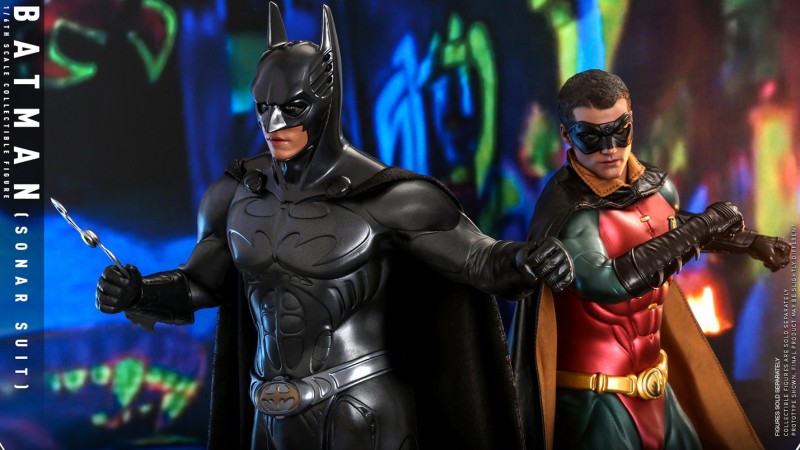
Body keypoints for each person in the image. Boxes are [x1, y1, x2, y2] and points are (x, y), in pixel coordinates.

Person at [95, 4, 574, 450]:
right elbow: (201, 283)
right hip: (269, 416)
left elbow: (479, 260)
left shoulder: (390, 197)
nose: (273, 123)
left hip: (363, 412)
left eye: (292, 108)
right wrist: (140, 293)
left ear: (325, 102)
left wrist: (527, 258)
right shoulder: (236, 193)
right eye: (263, 107)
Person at [510, 69, 791, 450]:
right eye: (591, 137)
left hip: (659, 390)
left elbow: (664, 226)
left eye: (619, 131)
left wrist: (748, 242)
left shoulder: (651, 185)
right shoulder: (570, 213)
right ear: (566, 135)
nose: (609, 148)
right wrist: (706, 224)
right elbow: (610, 281)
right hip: (595, 402)